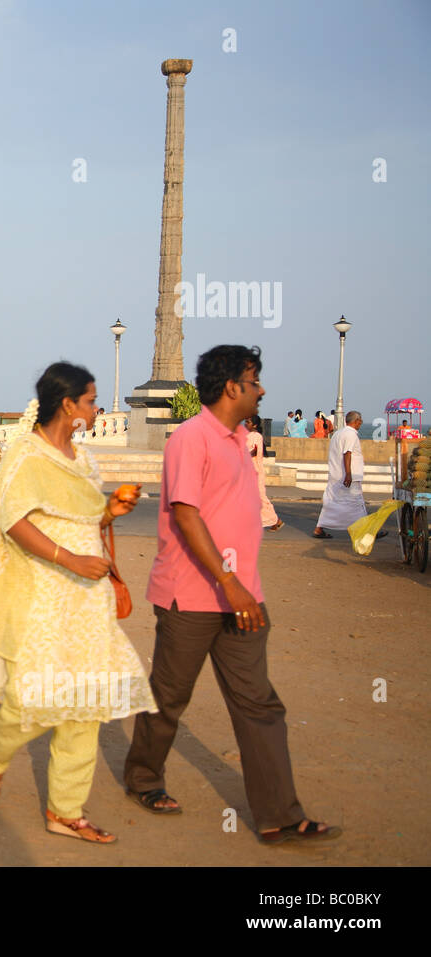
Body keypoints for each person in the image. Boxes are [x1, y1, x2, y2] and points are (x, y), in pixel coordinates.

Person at [124, 344, 339, 844]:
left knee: (259, 703)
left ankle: (279, 814)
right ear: (231, 387)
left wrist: (243, 589)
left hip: (242, 596)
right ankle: (143, 778)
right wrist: (228, 583)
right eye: (255, 380)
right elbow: (185, 513)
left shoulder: (241, 438)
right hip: (192, 593)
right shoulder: (191, 439)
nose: (262, 389)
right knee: (170, 695)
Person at [0, 363, 154, 844]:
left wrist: (110, 511)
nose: (98, 409)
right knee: (31, 699)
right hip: (40, 593)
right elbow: (14, 522)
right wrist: (70, 559)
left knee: (86, 705)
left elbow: (83, 518)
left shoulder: (83, 460)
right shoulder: (26, 455)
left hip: (87, 600)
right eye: (92, 401)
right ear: (68, 405)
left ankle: (66, 811)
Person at [312, 411, 375, 540]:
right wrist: (349, 474)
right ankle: (367, 530)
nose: (361, 422)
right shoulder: (350, 434)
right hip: (347, 476)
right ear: (356, 421)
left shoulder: (338, 434)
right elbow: (347, 453)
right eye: (360, 420)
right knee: (357, 503)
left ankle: (319, 529)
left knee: (331, 502)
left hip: (336, 474)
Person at [245, 415, 283, 530]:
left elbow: (254, 451)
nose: (246, 424)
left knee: (261, 498)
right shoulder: (247, 436)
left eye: (248, 422)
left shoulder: (256, 436)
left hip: (255, 471)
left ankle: (275, 520)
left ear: (255, 425)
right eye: (245, 422)